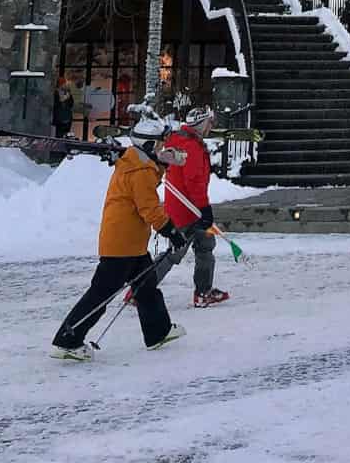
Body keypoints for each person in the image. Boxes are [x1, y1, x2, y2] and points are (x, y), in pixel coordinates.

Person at [50, 117, 188, 362]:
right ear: (147, 145)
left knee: (146, 287)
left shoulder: (137, 163)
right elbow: (150, 209)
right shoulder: (139, 170)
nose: (161, 149)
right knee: (101, 294)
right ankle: (67, 341)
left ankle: (159, 332)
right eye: (158, 145)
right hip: (121, 244)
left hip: (131, 243)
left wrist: (164, 163)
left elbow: (147, 186)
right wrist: (172, 232)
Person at [161, 105, 229, 308]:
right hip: (189, 210)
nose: (211, 126)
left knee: (205, 246)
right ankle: (139, 291)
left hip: (182, 206)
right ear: (201, 124)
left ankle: (203, 292)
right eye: (209, 122)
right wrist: (204, 209)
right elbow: (194, 181)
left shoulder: (179, 140)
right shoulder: (192, 146)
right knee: (175, 252)